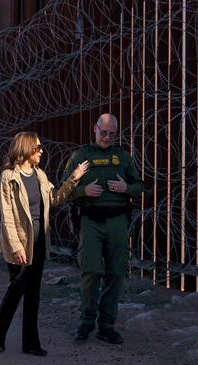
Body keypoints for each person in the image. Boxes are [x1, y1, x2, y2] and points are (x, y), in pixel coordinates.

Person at [0, 132, 89, 356]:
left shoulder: (40, 175)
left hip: (39, 240)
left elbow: (55, 198)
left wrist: (73, 179)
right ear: (26, 149)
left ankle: (31, 343)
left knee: (33, 293)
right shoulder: (9, 177)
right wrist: (16, 246)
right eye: (38, 147)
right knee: (17, 288)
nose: (42, 151)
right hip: (20, 241)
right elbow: (7, 215)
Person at [61, 113, 143, 345]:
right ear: (95, 129)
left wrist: (126, 187)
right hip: (90, 221)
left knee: (115, 274)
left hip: (117, 221)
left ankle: (106, 326)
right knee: (91, 272)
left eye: (111, 134)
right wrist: (82, 192)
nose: (106, 137)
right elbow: (63, 189)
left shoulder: (122, 157)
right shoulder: (81, 156)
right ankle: (86, 322)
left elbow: (140, 186)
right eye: (103, 132)